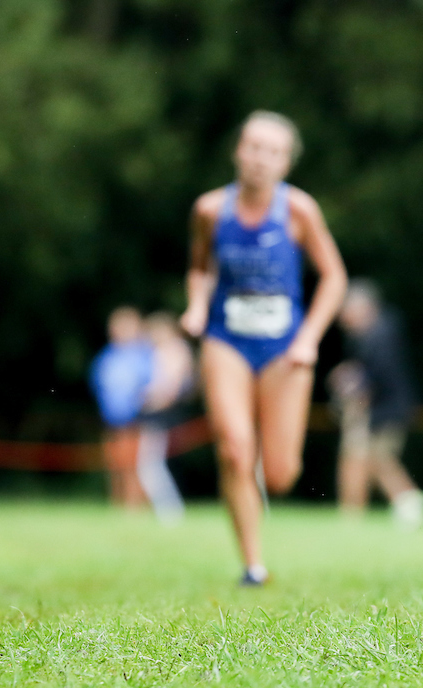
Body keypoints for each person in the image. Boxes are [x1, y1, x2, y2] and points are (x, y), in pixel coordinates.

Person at [180, 110, 346, 586]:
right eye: (252, 147)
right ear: (238, 151)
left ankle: (266, 492)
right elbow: (199, 267)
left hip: (285, 348)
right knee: (234, 450)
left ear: (286, 163)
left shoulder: (299, 211)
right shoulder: (210, 210)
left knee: (279, 474)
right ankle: (253, 565)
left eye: (271, 152)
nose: (259, 159)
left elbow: (334, 277)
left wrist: (310, 338)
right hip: (225, 340)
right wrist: (195, 306)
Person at [331, 279, 422, 526]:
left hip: (386, 411)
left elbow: (377, 377)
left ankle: (408, 504)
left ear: (363, 307)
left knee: (376, 459)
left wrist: (351, 381)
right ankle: (401, 505)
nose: (342, 317)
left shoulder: (378, 335)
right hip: (387, 410)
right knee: (375, 459)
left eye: (346, 310)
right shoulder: (375, 333)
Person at [89, 306, 152, 510]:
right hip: (112, 422)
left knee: (137, 467)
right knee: (115, 466)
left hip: (138, 422)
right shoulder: (105, 358)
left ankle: (136, 507)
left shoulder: (145, 355)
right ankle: (118, 504)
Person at [135, 312, 194, 525]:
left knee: (150, 465)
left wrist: (148, 398)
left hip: (162, 415)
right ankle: (168, 510)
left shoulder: (174, 350)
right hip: (160, 413)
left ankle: (170, 511)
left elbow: (170, 388)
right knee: (151, 465)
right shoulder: (161, 351)